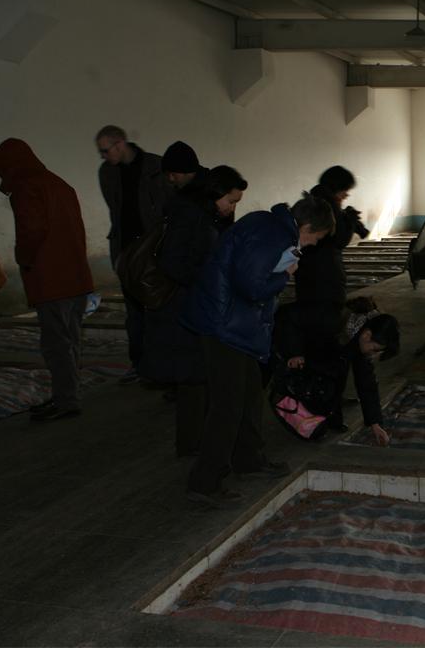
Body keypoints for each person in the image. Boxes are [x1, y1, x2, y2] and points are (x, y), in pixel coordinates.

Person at [180, 192, 334, 508]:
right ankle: (204, 482)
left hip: (233, 324)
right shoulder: (273, 235)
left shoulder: (270, 226)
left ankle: (248, 459)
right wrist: (283, 276)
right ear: (306, 226)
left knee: (250, 392)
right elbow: (251, 286)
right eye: (315, 238)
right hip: (225, 326)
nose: (313, 245)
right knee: (228, 405)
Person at [143, 165, 247, 457]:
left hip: (196, 303)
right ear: (215, 194)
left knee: (198, 377)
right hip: (184, 306)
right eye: (230, 201)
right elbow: (174, 262)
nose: (232, 208)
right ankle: (192, 445)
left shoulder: (206, 216)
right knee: (193, 377)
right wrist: (210, 279)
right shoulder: (190, 216)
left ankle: (196, 442)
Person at [0, 139, 94, 422]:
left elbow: (32, 230)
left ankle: (66, 400)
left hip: (51, 279)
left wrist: (23, 259)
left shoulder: (27, 188)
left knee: (56, 345)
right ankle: (67, 395)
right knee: (71, 341)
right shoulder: (59, 184)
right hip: (76, 277)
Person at [95, 125, 170, 381]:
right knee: (134, 311)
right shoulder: (107, 172)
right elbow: (116, 210)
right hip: (126, 250)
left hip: (154, 248)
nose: (103, 156)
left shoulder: (156, 166)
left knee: (159, 308)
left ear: (120, 144)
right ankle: (140, 365)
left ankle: (161, 364)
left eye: (106, 150)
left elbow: (165, 207)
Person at [272, 298, 398, 447]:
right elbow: (288, 317)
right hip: (286, 329)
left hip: (320, 347)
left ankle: (330, 418)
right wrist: (294, 352)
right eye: (375, 350)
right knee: (314, 379)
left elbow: (366, 384)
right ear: (367, 335)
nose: (373, 355)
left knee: (335, 371)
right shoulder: (333, 320)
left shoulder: (362, 335)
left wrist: (375, 424)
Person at [293, 166, 370, 351]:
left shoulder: (315, 200)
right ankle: (323, 354)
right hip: (324, 274)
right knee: (326, 319)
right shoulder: (327, 205)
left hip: (310, 272)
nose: (346, 195)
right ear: (338, 187)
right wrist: (350, 221)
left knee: (311, 315)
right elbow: (340, 240)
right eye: (345, 190)